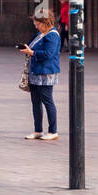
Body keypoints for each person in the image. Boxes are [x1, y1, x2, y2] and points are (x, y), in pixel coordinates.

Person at [18, 12, 61, 141]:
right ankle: (38, 130)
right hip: (36, 72)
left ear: (45, 23)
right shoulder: (39, 34)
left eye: (38, 24)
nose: (36, 26)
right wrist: (27, 49)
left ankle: (53, 131)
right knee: (35, 102)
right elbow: (32, 47)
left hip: (46, 73)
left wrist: (32, 52)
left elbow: (49, 53)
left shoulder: (52, 35)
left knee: (47, 101)